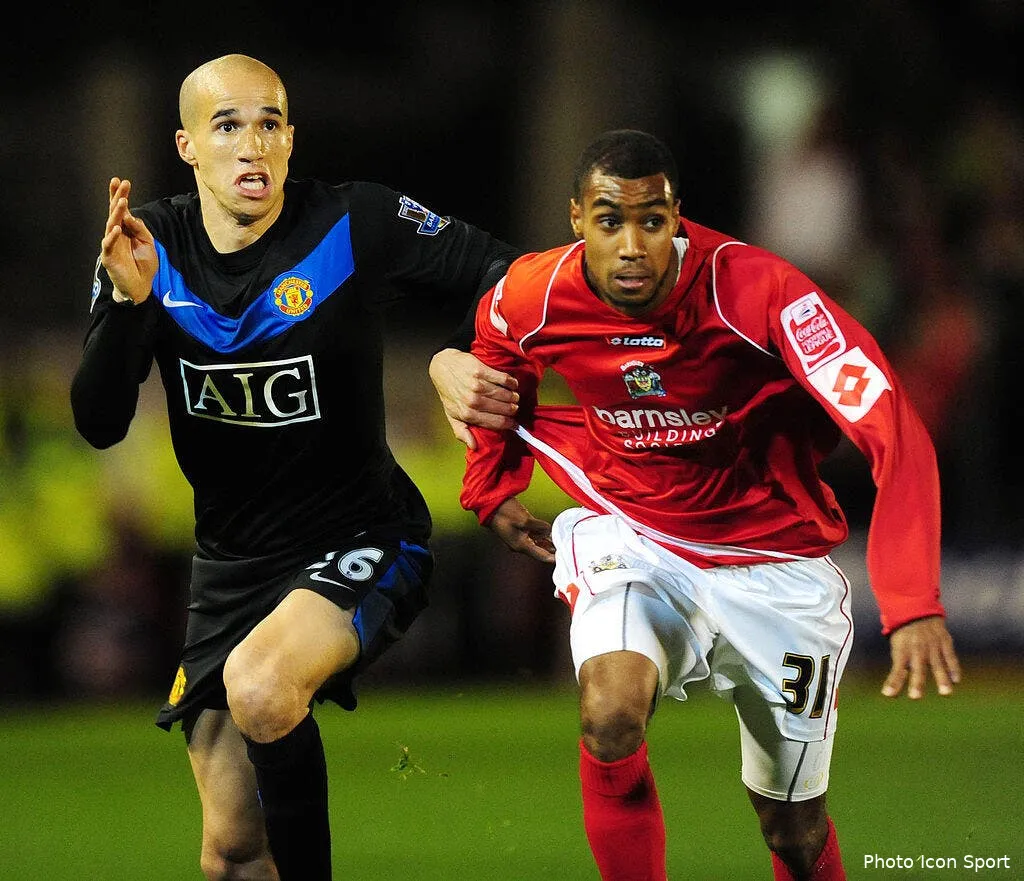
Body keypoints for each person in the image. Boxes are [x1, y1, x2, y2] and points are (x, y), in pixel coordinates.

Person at [451, 129, 962, 881]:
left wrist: (913, 599)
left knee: (792, 828)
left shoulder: (761, 292)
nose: (632, 246)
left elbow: (891, 424)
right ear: (576, 218)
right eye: (609, 221)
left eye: (651, 222)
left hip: (776, 562)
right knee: (610, 713)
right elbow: (495, 352)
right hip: (635, 533)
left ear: (678, 218)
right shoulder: (535, 294)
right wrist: (492, 484)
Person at [69, 53, 520, 881]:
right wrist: (129, 305)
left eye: (269, 124)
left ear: (290, 140)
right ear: (186, 146)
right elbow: (98, 423)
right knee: (233, 854)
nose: (252, 145)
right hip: (231, 567)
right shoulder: (150, 245)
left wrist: (454, 354)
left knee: (263, 684)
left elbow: (509, 275)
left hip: (365, 535)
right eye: (227, 126)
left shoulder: (352, 222)